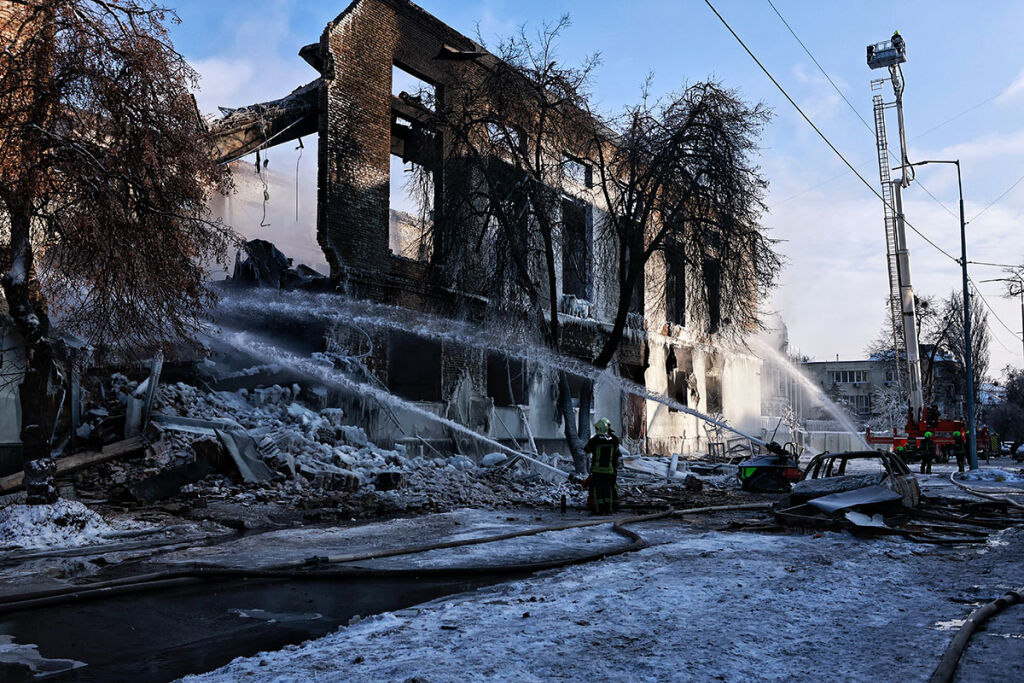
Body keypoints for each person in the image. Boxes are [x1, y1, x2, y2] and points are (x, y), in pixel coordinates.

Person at [584, 418, 621, 515]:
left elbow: (587, 449)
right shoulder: (614, 439)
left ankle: (598, 510)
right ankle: (609, 509)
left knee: (598, 491)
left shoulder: (595, 440)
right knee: (609, 490)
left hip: (597, 470)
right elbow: (617, 455)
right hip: (609, 470)